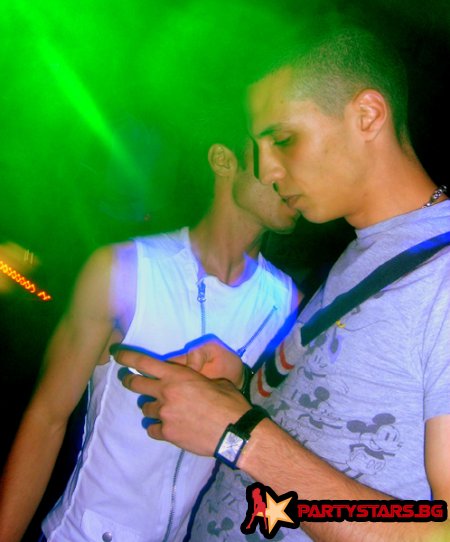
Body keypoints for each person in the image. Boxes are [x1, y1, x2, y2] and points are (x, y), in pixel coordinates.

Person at [115, 26, 450, 541]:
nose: (266, 170)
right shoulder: (363, 255)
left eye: (284, 140)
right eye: (257, 146)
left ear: (367, 116)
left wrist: (238, 436)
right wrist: (242, 388)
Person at [0, 117, 301, 541]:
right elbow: (47, 416)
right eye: (281, 145)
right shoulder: (125, 270)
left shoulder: (286, 304)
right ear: (223, 159)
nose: (297, 168)